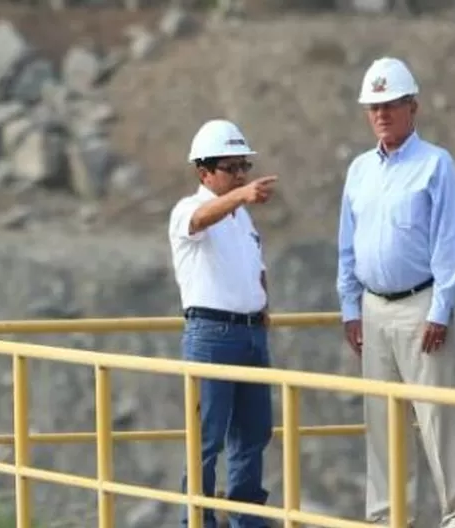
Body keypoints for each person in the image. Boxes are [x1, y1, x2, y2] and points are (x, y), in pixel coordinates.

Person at [336, 56, 455, 528]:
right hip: (374, 307)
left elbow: (448, 244)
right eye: (374, 106)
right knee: (381, 422)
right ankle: (387, 519)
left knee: (441, 418)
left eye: (391, 104)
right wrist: (349, 307)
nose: (381, 114)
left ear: (412, 107)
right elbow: (347, 245)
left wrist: (440, 309)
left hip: (423, 305)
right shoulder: (359, 170)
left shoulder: (436, 165)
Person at [168, 118, 279, 528]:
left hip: (249, 332)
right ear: (204, 172)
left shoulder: (242, 220)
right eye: (231, 169)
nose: (240, 176)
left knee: (252, 433)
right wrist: (242, 197)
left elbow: (255, 265)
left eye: (243, 168)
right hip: (212, 333)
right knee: (207, 438)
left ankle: (246, 518)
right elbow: (200, 221)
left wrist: (262, 300)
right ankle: (197, 521)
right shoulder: (189, 209)